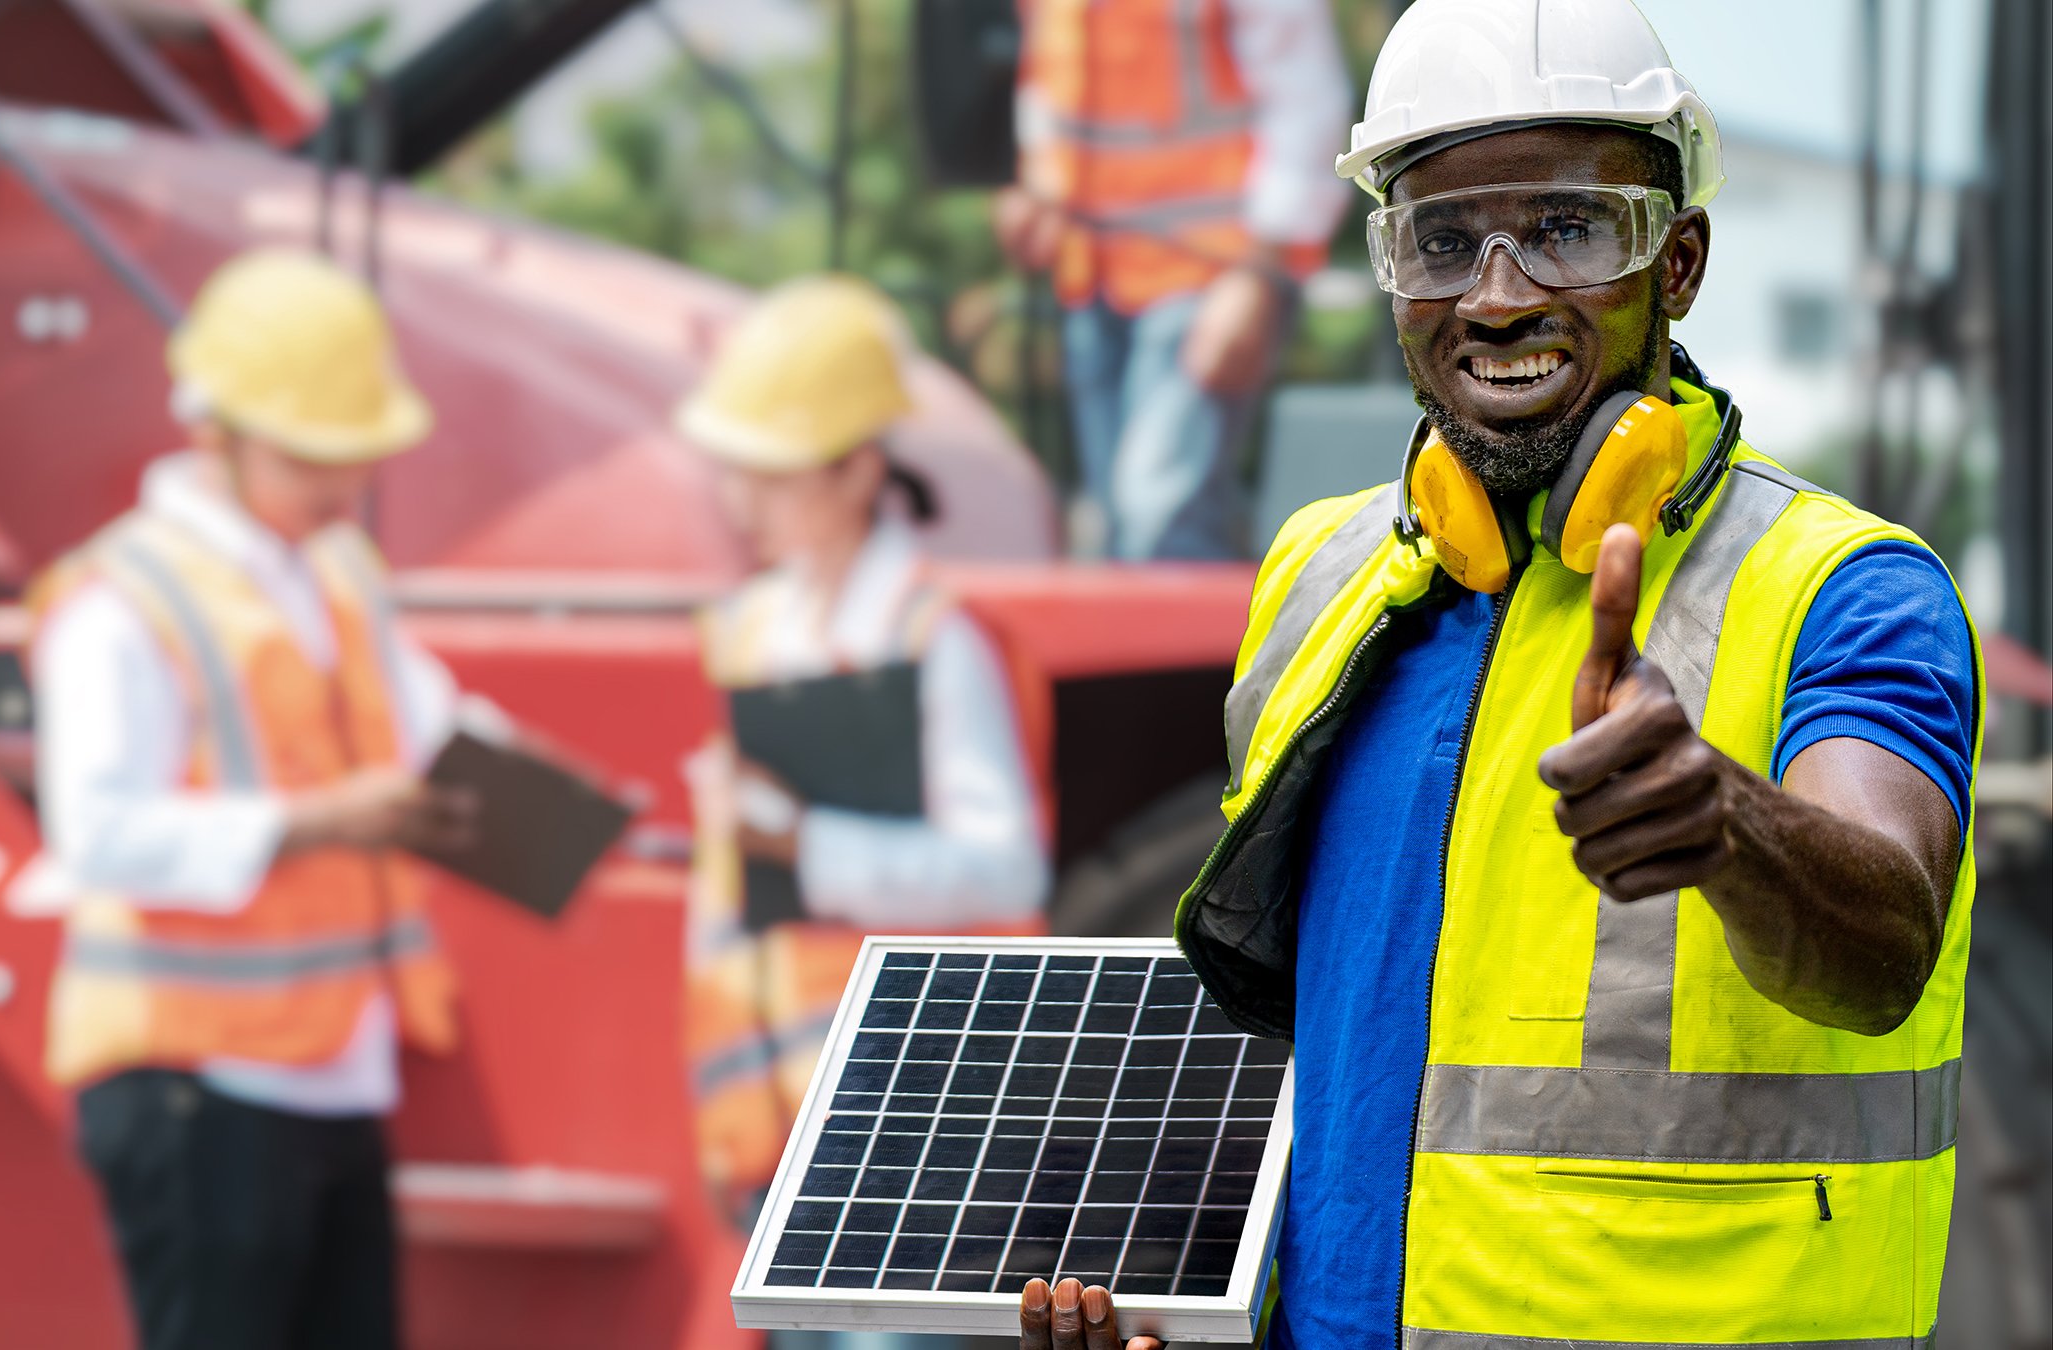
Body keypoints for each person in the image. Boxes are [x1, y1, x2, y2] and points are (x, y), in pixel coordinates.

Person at [1021, 1, 1978, 1346]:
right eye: (1444, 241)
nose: (1499, 292)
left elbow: (1884, 942)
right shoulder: (1317, 578)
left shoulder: (1846, 588)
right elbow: (1309, 1047)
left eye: (1570, 230)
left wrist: (1724, 822)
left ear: (1680, 261)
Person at [30, 248, 476, 1350]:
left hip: (331, 1063)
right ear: (213, 432)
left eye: (355, 455)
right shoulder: (125, 599)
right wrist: (316, 825)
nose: (342, 484)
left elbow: (434, 730)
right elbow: (94, 832)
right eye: (314, 455)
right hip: (196, 1078)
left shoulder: (337, 578)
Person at [675, 277, 1053, 1346]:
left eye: (772, 473)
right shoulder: (746, 634)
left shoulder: (937, 641)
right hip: (779, 1117)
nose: (743, 500)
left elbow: (1005, 872)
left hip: (910, 1125)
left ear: (859, 469)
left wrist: (805, 843)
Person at [995, 0, 1352, 562]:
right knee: (1120, 533)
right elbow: (1051, 74)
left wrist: (1258, 271)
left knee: (1160, 524)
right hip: (1090, 272)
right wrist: (1038, 183)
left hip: (1211, 270)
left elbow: (1305, 96)